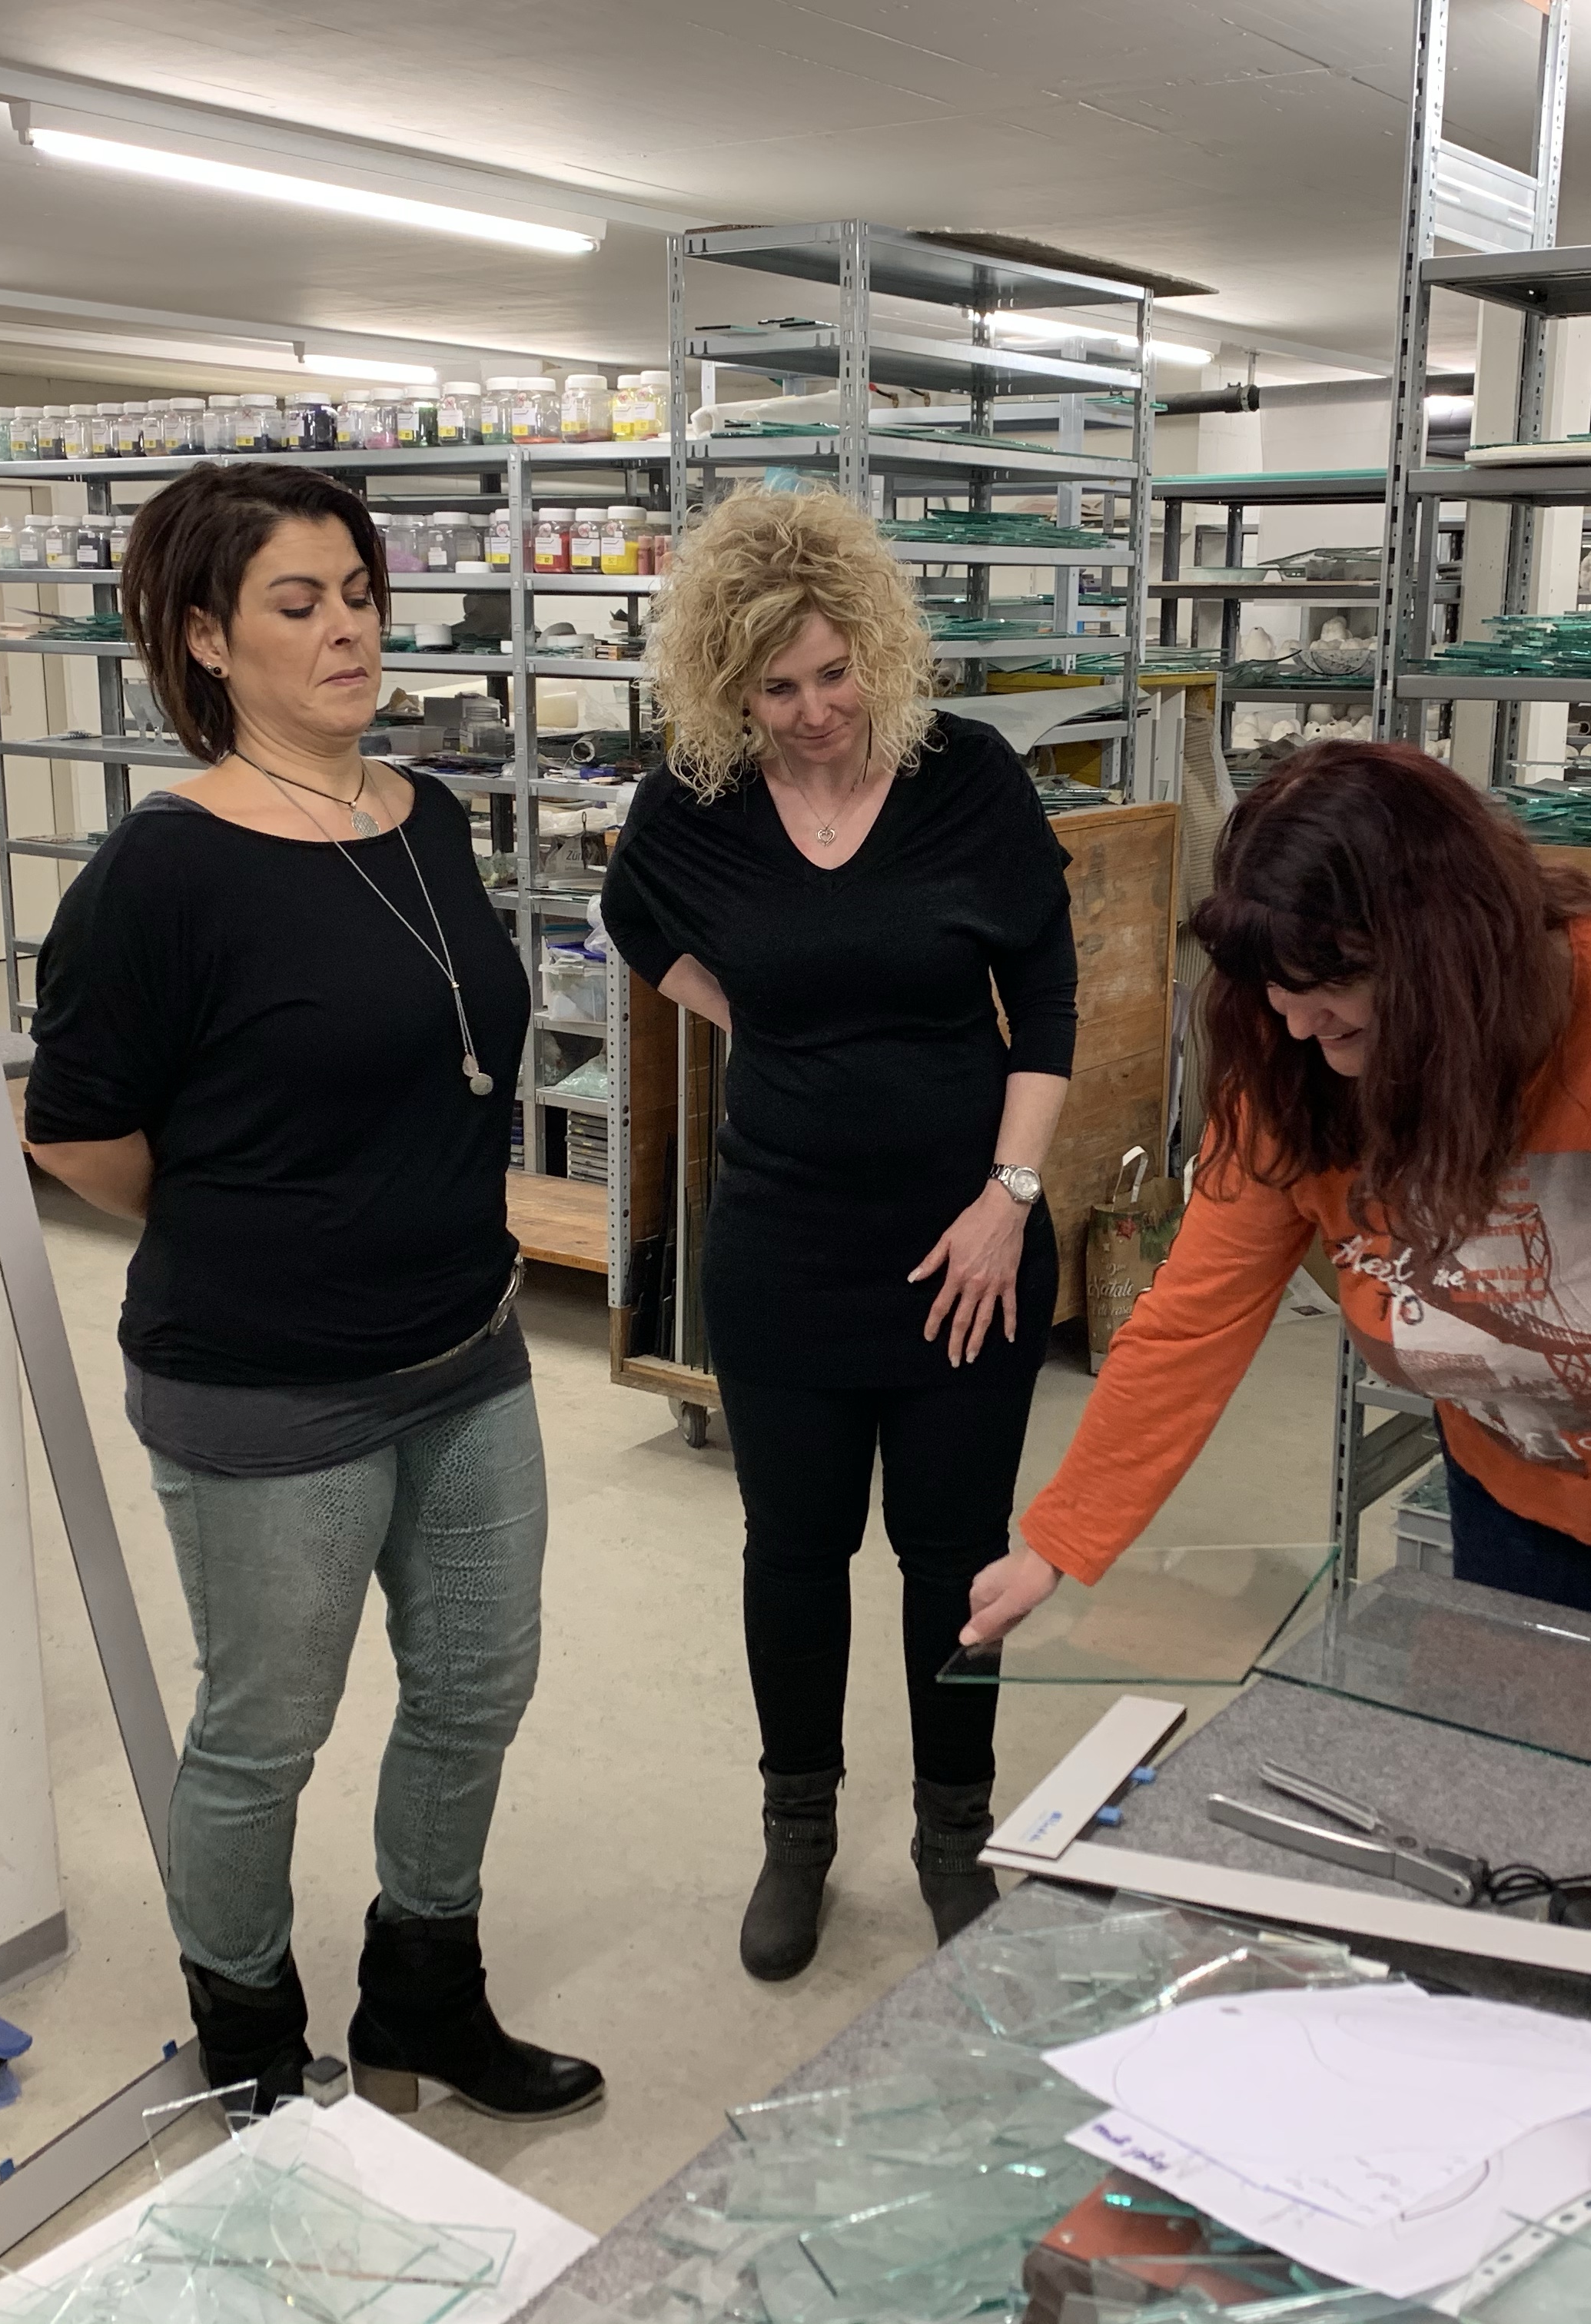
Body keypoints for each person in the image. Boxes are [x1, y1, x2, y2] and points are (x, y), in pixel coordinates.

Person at [968, 739, 1591, 1814]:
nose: (1297, 1023)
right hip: (1540, 1481)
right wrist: (1060, 1539)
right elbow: (1194, 1321)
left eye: (1333, 987)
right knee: (1548, 1813)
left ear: (1443, 953)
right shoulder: (1289, 1067)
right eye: (1275, 990)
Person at [24, 461, 603, 2119]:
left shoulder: (427, 817)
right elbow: (77, 1131)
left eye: (359, 593)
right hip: (267, 1385)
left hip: (469, 1347)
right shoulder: (163, 872)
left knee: (476, 1689)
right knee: (266, 1728)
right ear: (210, 640)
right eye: (299, 602)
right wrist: (252, 1220)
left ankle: (424, 1995)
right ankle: (254, 2046)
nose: (347, 628)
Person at [602, 486, 1080, 1979]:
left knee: (954, 1557)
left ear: (875, 645)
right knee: (795, 1554)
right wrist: (748, 1013)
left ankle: (954, 1834)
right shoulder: (695, 802)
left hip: (967, 1249)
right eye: (776, 689)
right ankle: (796, 1832)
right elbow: (632, 918)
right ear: (727, 689)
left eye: (834, 673)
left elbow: (1048, 998)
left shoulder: (968, 777)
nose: (815, 713)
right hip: (784, 1248)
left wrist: (1008, 1200)